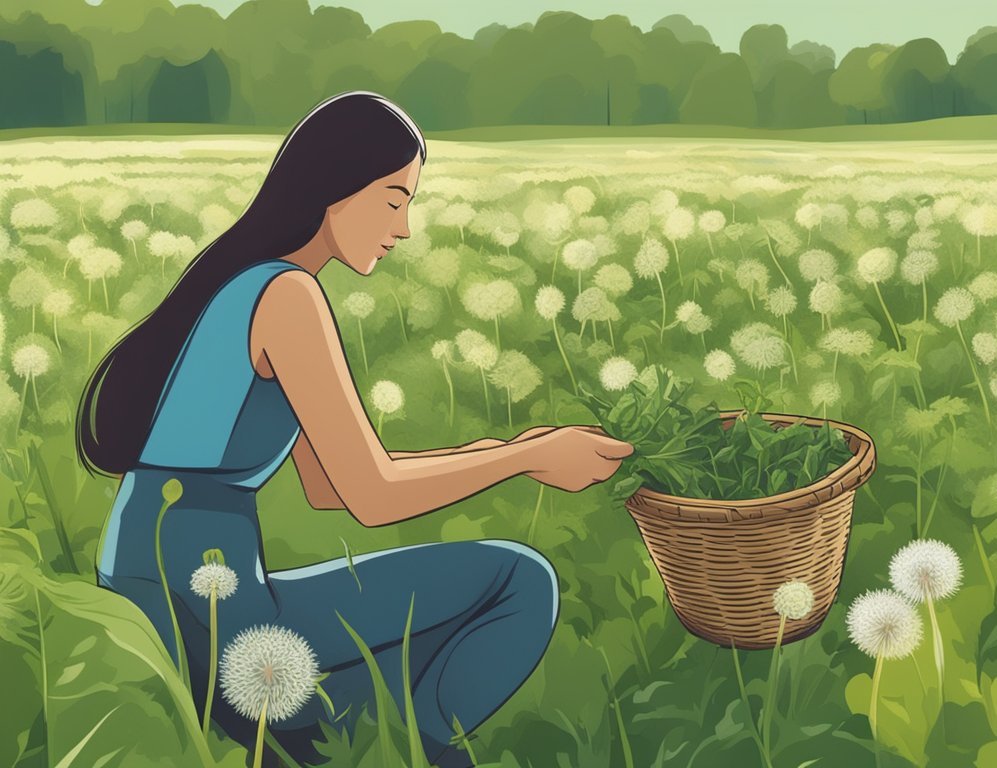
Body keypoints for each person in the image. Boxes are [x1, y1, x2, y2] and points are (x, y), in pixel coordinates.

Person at [76, 91, 634, 767]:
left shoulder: (250, 284)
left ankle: (366, 745)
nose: (403, 228)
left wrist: (502, 450)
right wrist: (525, 458)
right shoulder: (287, 296)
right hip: (215, 601)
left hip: (164, 579)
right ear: (333, 187)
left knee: (386, 674)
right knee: (518, 582)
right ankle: (401, 752)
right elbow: (373, 495)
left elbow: (326, 486)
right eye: (395, 199)